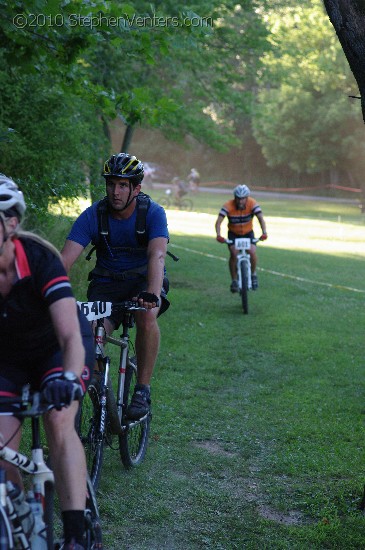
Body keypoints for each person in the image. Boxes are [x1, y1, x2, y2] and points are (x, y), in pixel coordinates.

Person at [0, 174, 94, 550]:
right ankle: (16, 514)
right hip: (8, 358)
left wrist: (69, 377)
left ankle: (75, 533)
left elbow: (71, 336)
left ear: (10, 223)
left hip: (56, 348)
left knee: (58, 419)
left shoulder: (39, 259)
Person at [61, 153, 170, 421]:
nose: (115, 191)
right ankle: (98, 383)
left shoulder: (153, 213)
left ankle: (142, 389)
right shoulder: (93, 215)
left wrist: (152, 295)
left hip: (143, 282)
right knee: (90, 330)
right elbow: (64, 260)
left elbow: (157, 255)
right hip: (106, 283)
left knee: (146, 318)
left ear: (136, 188)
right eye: (111, 184)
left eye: (123, 185)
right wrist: (49, 294)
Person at [215, 184, 268, 292]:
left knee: (252, 252)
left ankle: (253, 275)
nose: (240, 201)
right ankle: (234, 280)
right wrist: (219, 235)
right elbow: (218, 222)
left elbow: (261, 219)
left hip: (248, 233)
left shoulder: (252, 203)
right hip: (233, 233)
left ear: (247, 198)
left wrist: (264, 233)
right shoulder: (228, 206)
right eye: (238, 198)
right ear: (235, 197)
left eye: (243, 199)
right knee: (234, 253)